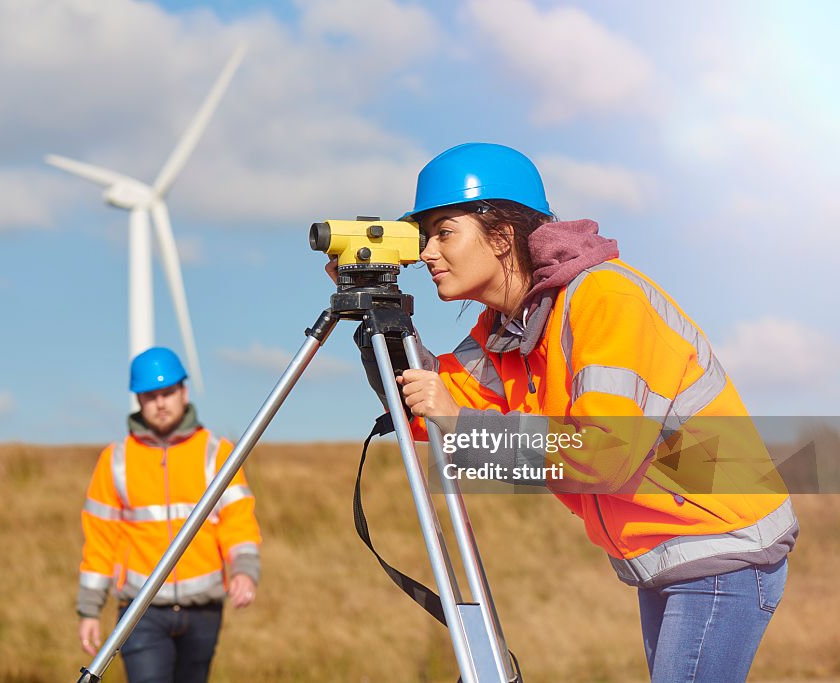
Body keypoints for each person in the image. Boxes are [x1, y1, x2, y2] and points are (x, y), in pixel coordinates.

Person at [331, 142, 798, 682]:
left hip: (722, 544)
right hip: (667, 552)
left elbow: (603, 456)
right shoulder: (509, 331)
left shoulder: (603, 300)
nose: (428, 253)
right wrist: (379, 323)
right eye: (423, 237)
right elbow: (427, 412)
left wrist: (461, 422)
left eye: (443, 232)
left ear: (502, 236)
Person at [76, 347, 261, 683]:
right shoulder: (115, 460)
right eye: (150, 395)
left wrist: (244, 571)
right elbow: (100, 541)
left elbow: (238, 521)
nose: (160, 403)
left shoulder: (216, 453)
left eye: (168, 392)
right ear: (139, 400)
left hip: (204, 611)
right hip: (140, 613)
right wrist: (89, 609)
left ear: (184, 391)